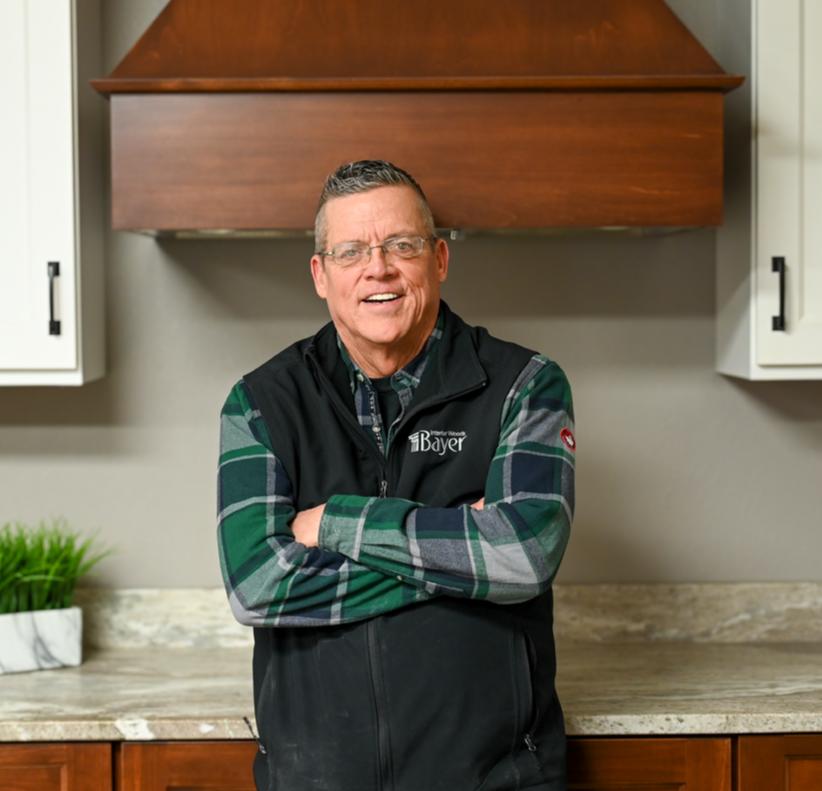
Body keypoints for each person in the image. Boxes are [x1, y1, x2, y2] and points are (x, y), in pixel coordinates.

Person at [217, 160, 575, 791]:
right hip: (314, 779)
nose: (377, 268)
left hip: (496, 778)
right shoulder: (260, 402)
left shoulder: (526, 384)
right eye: (351, 251)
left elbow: (522, 555)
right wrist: (464, 558)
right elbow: (256, 585)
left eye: (400, 246)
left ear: (438, 258)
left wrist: (335, 522)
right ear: (321, 275)